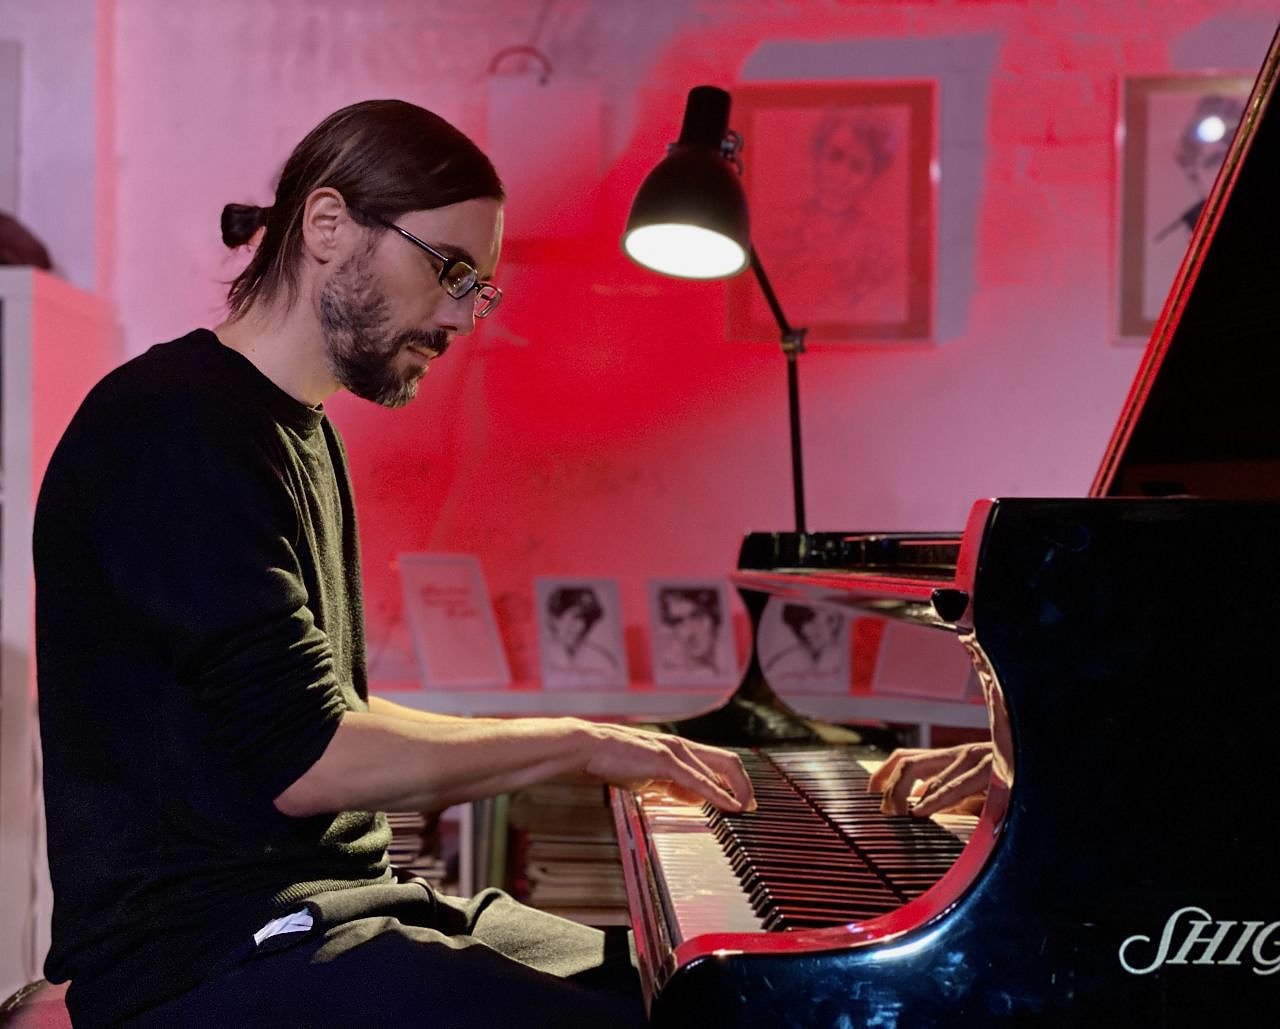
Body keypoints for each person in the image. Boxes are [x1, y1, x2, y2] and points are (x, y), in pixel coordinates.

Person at [34, 99, 754, 1029]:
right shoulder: (173, 425)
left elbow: (326, 712)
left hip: (336, 907)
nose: (460, 316)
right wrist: (582, 744)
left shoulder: (297, 431)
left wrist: (592, 735)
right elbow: (311, 760)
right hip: (206, 952)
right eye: (449, 269)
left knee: (690, 987)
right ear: (328, 224)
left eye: (477, 288)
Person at [542, 586, 621, 678]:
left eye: (587, 619)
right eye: (575, 617)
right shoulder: (540, 657)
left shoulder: (601, 660)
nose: (582, 626)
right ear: (555, 618)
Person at [655, 587, 724, 677]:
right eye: (678, 622)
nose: (688, 633)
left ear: (714, 619)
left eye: (697, 617)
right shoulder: (671, 672)